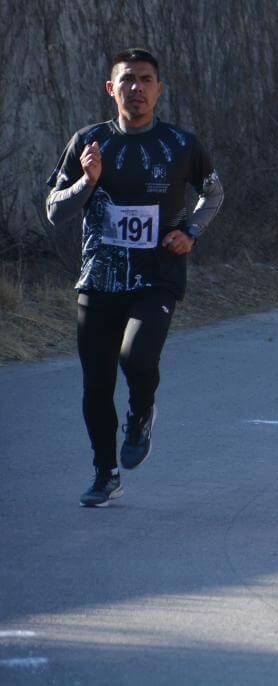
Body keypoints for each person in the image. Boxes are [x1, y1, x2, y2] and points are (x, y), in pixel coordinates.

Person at [45, 48, 225, 507]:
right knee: (96, 383)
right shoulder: (88, 142)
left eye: (146, 80)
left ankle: (142, 410)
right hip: (99, 281)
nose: (137, 88)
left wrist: (191, 232)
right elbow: (53, 211)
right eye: (127, 80)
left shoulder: (181, 145)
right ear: (112, 88)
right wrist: (87, 181)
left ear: (159, 89)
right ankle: (105, 474)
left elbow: (214, 194)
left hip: (156, 276)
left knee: (137, 358)